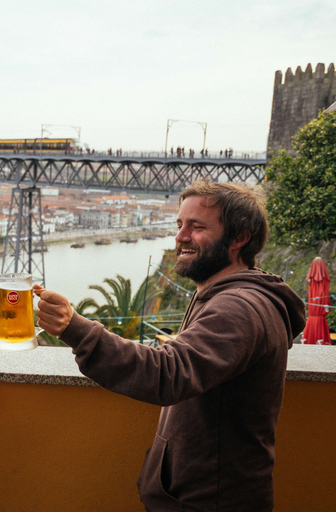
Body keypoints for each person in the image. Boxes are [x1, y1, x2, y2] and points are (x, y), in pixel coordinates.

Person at [35, 181, 305, 511]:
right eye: (180, 225)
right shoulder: (224, 296)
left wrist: (75, 328)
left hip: (209, 502)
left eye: (197, 226)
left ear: (239, 238)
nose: (180, 237)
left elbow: (168, 373)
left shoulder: (237, 309)